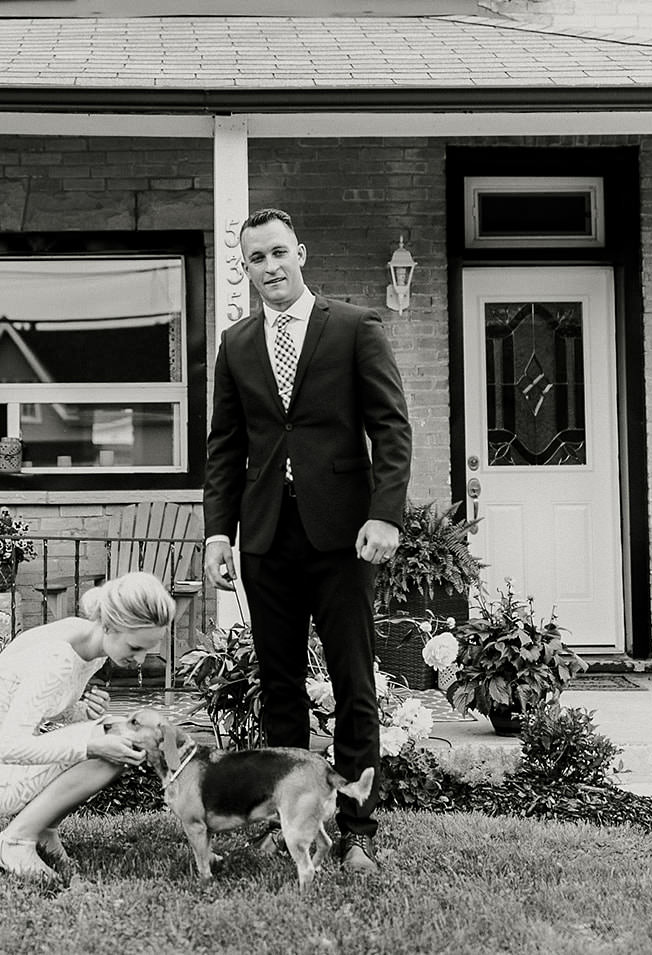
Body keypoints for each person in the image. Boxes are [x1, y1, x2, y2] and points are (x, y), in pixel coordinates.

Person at [203, 207, 413, 874]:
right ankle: (291, 819)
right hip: (266, 538)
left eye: (277, 253)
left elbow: (391, 427)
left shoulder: (354, 328)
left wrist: (386, 514)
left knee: (355, 683)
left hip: (342, 537)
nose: (268, 267)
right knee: (282, 686)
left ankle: (356, 828)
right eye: (255, 259)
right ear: (246, 269)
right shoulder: (236, 344)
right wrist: (218, 532)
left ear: (302, 252)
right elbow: (225, 449)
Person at [0, 570, 177, 881]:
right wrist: (90, 743)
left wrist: (80, 712)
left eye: (146, 651)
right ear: (109, 626)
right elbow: (10, 747)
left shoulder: (85, 642)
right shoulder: (57, 659)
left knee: (113, 730)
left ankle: (43, 829)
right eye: (135, 648)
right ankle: (14, 841)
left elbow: (38, 706)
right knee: (119, 741)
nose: (139, 661)